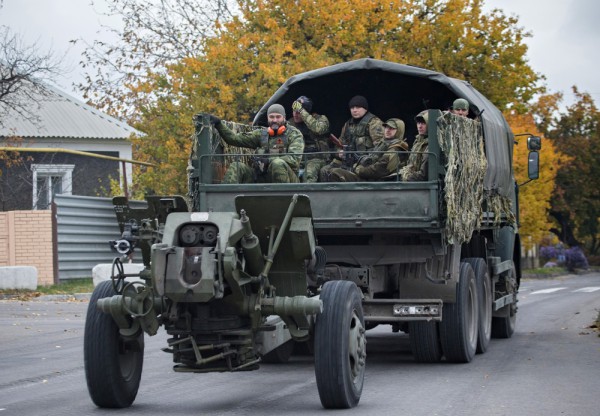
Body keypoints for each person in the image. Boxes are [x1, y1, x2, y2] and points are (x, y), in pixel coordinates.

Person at [208, 104, 304, 183]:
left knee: (277, 163)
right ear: (267, 118)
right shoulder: (261, 134)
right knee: (236, 166)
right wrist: (218, 124)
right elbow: (234, 139)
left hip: (289, 181)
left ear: (284, 118)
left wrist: (268, 161)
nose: (274, 120)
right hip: (261, 178)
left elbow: (294, 159)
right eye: (271, 117)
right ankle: (225, 202)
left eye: (278, 117)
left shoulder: (294, 134)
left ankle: (282, 201)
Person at [319, 95, 384, 181]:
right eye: (352, 107)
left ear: (365, 108)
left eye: (358, 107)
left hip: (365, 163)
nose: (354, 110)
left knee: (336, 172)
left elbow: (381, 147)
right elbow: (338, 145)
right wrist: (340, 153)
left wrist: (367, 158)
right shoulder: (347, 125)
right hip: (348, 161)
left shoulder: (374, 123)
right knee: (325, 171)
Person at [328, 118, 409, 182]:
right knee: (330, 171)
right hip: (370, 178)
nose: (388, 130)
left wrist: (359, 170)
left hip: (379, 181)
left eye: (392, 128)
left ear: (399, 131)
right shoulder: (383, 143)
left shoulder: (396, 147)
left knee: (335, 173)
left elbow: (380, 169)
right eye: (387, 127)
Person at [287, 96, 330, 182]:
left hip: (317, 159)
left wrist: (302, 111)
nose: (295, 114)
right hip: (298, 159)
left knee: (309, 173)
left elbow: (319, 129)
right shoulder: (289, 124)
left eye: (298, 112)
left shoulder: (320, 119)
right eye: (294, 111)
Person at [401, 110, 429, 182]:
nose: (419, 126)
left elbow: (423, 175)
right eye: (418, 123)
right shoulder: (418, 141)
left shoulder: (430, 144)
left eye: (423, 123)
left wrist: (406, 177)